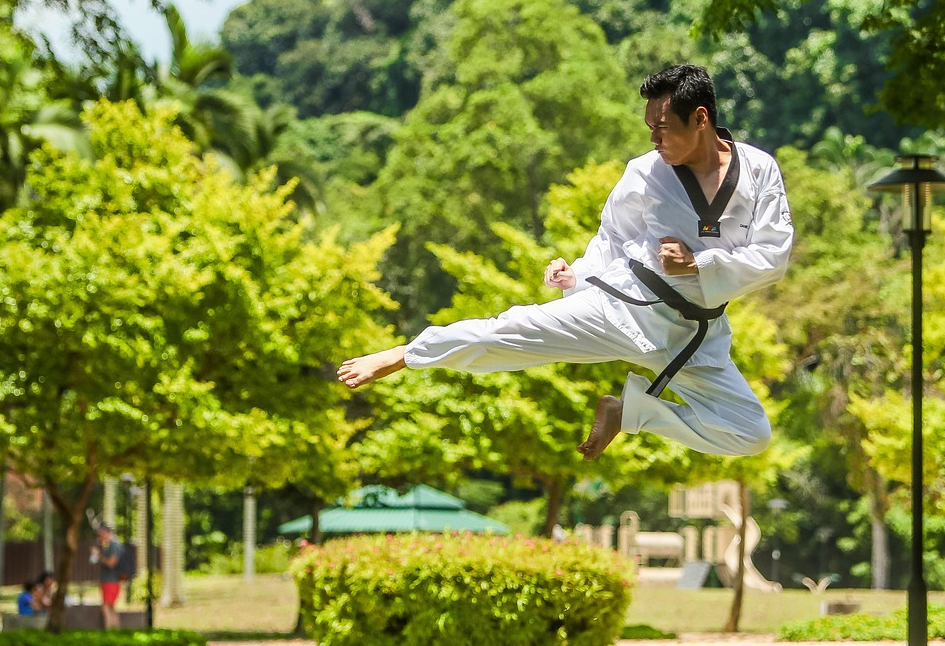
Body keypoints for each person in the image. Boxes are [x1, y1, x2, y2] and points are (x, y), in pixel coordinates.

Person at [338, 64, 793, 461]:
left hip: (697, 333)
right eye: (649, 127)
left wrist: (699, 265)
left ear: (700, 118)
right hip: (626, 306)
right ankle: (407, 353)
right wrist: (579, 276)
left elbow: (774, 255)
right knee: (509, 332)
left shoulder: (759, 171)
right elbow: (613, 235)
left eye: (662, 127)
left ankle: (627, 413)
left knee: (748, 434)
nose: (654, 139)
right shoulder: (645, 172)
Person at [92, 525, 124, 629]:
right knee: (111, 607)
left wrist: (98, 556)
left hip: (111, 581)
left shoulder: (114, 545)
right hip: (110, 581)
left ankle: (109, 629)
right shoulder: (110, 544)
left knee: (106, 606)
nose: (99, 537)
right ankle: (115, 629)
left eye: (100, 534)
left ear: (105, 532)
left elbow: (111, 562)